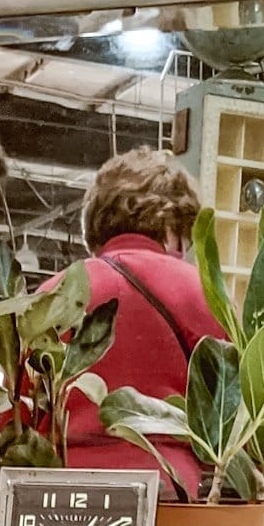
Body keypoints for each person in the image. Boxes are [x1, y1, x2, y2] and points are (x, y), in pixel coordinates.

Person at [61, 147, 222, 493]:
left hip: (61, 495)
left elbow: (17, 412)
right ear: (169, 225)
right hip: (171, 493)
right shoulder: (205, 293)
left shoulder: (54, 293)